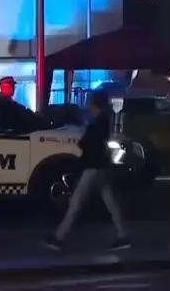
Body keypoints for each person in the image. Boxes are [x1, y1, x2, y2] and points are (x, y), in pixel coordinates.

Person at [44, 91, 129, 251]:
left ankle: (59, 237)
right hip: (101, 167)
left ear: (95, 105)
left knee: (76, 202)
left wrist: (84, 145)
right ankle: (122, 235)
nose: (88, 106)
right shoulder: (103, 122)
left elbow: (89, 145)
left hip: (92, 168)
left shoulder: (96, 124)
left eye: (90, 103)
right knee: (110, 203)